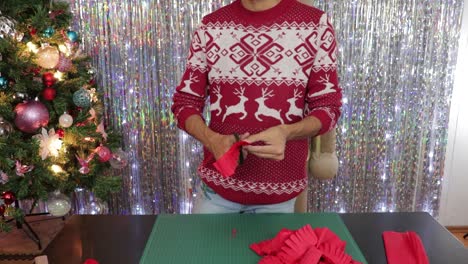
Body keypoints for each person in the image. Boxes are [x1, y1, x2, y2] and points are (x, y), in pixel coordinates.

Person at [171, 0, 342, 214]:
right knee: (199, 248)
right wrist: (211, 139)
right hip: (216, 192)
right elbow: (184, 103)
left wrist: (287, 132)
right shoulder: (210, 26)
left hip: (279, 198)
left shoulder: (316, 25)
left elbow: (328, 108)